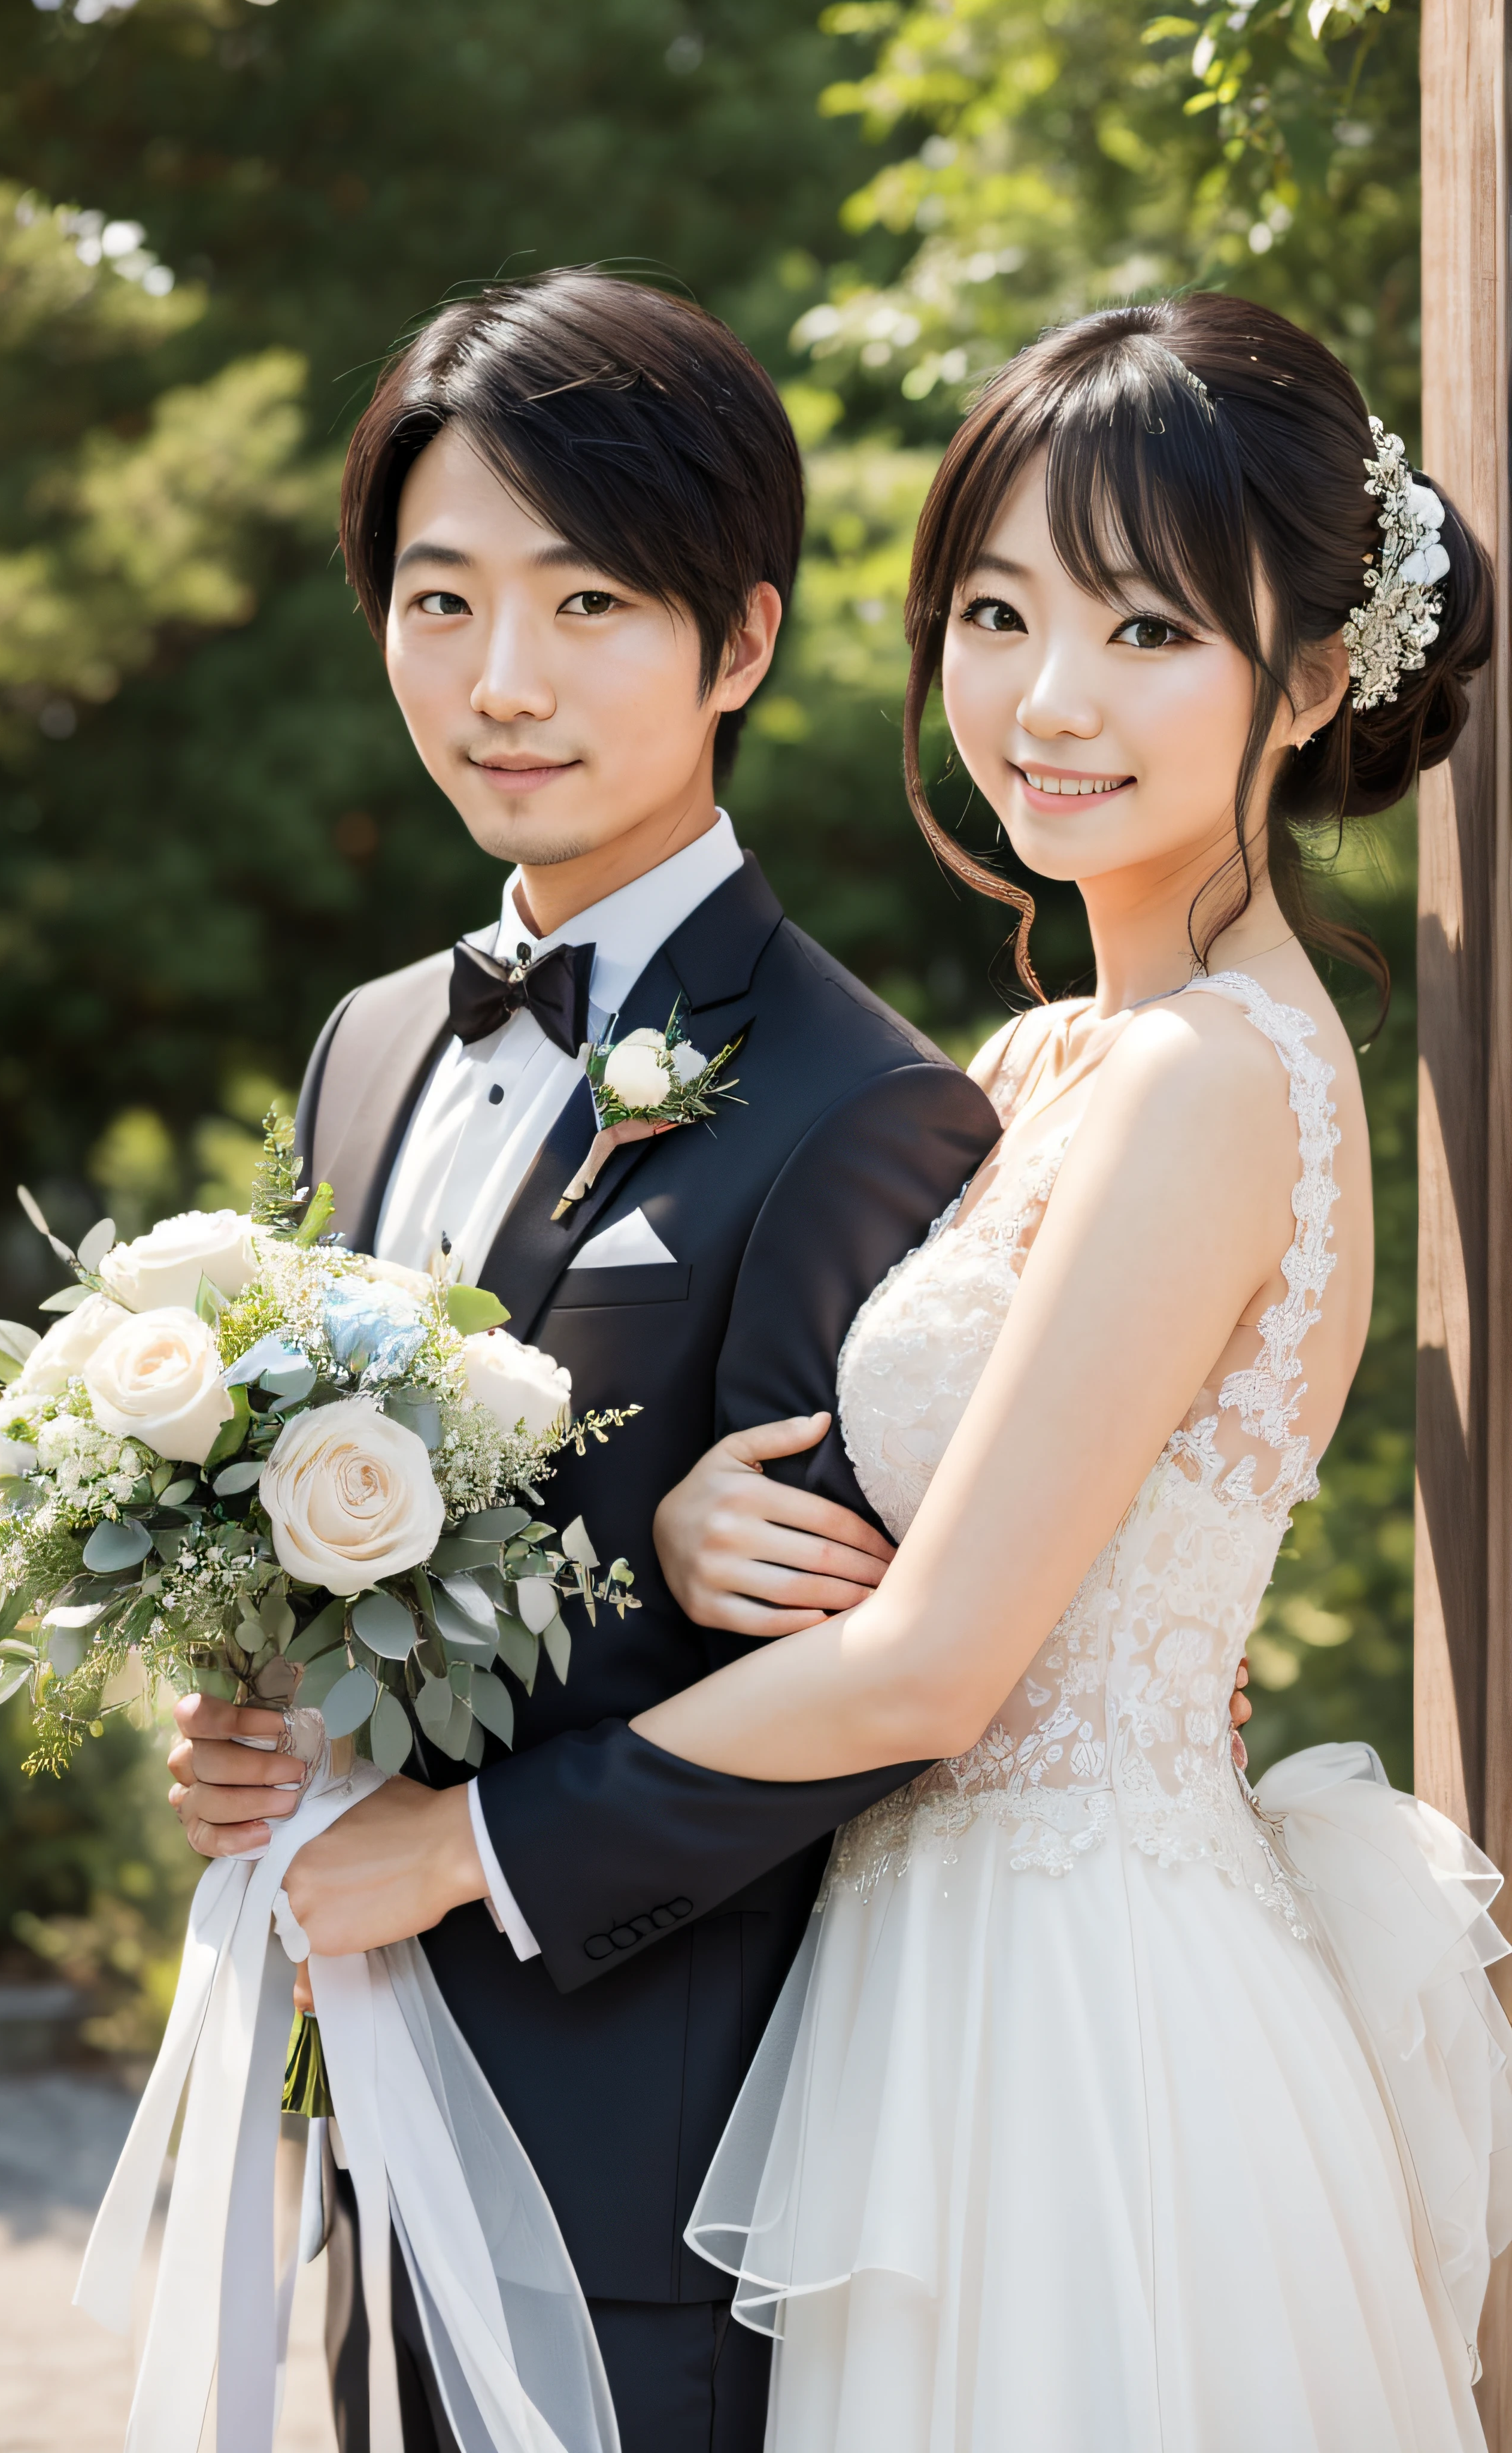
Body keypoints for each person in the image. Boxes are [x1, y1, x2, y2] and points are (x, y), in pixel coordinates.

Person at [624, 293, 1512, 2449]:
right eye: (997, 611)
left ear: (1305, 682)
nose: (1043, 699)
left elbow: (941, 1669)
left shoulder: (1213, 1082)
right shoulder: (1049, 1061)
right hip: (940, 1977)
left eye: (1140, 633)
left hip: (1088, 2025)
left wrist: (474, 1846)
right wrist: (688, 1516)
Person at [165, 268, 1001, 2453]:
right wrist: (261, 1713)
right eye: (439, 603)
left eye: (588, 602)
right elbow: (355, 1536)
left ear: (739, 640)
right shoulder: (366, 1045)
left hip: (645, 2149)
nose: (501, 682)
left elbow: (860, 1685)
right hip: (367, 2097)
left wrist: (472, 1847)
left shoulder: (862, 1101)